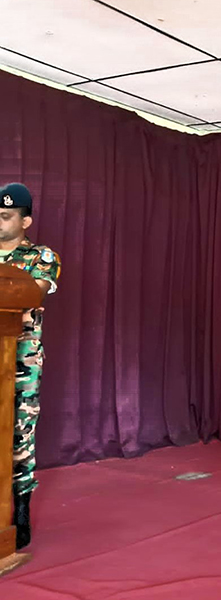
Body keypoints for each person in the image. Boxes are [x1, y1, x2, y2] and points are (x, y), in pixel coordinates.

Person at [0, 183, 61, 550]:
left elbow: (32, 293)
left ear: (26, 220)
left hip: (20, 357)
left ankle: (19, 512)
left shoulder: (41, 256)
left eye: (6, 216)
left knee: (19, 431)